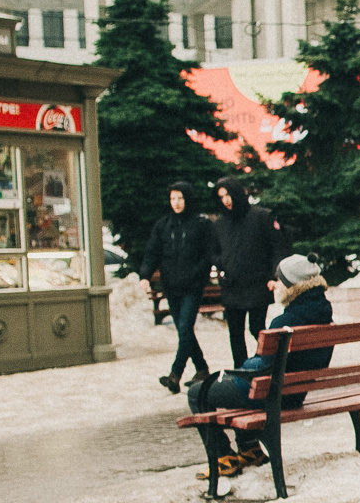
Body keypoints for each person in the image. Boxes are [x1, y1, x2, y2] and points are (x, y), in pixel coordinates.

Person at [185, 256, 332, 479]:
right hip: (295, 393)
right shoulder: (324, 316)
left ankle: (223, 457)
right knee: (237, 386)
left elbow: (261, 369)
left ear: (293, 286)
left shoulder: (285, 323)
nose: (274, 285)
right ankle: (250, 449)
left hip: (275, 395)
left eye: (279, 280)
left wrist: (244, 365)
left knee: (198, 392)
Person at [137, 181, 216, 392]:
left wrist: (197, 274)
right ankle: (202, 368)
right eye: (173, 198)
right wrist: (145, 275)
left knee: (184, 327)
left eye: (180, 198)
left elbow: (208, 255)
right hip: (171, 286)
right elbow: (152, 251)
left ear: (187, 199)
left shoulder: (201, 224)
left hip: (192, 285)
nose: (176, 203)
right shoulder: (164, 225)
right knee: (185, 331)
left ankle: (175, 374)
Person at [214, 176, 282, 367]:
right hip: (232, 285)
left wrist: (273, 276)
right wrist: (222, 262)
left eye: (228, 194)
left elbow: (277, 247)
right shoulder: (220, 224)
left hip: (258, 283)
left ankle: (272, 364)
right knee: (235, 333)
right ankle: (241, 371)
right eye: (221, 196)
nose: (226, 200)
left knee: (257, 329)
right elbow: (212, 251)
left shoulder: (261, 216)